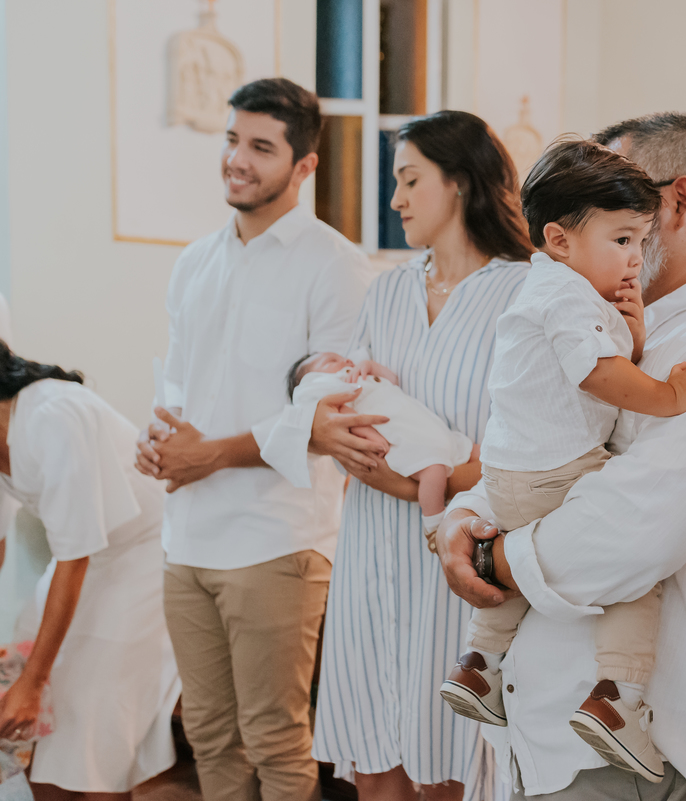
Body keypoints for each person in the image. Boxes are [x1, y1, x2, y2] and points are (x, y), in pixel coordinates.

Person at [435, 112, 686, 801]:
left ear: (675, 201)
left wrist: (492, 557)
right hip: (544, 725)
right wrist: (466, 516)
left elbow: (624, 534)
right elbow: (535, 438)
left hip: (639, 750)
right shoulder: (597, 317)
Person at [260, 110, 533, 801]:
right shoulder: (386, 292)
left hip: (456, 543)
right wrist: (327, 426)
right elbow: (345, 391)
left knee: (448, 759)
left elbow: (531, 443)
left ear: (462, 184)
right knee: (375, 759)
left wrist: (418, 487)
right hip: (370, 547)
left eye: (410, 180)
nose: (396, 200)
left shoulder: (525, 292)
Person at [438, 140, 686, 783]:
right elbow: (596, 375)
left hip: (510, 476)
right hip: (559, 471)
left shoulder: (557, 293)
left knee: (514, 555)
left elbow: (596, 361)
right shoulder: (563, 294)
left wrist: (632, 335)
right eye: (621, 239)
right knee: (638, 572)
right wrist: (672, 394)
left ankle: (479, 666)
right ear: (559, 240)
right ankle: (617, 697)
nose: (635, 258)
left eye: (641, 240)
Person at [133, 78, 371, 800]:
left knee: (274, 734)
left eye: (261, 147)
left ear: (304, 166)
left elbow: (327, 416)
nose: (237, 159)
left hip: (277, 536)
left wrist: (213, 453)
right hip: (188, 537)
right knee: (207, 730)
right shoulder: (194, 261)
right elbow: (177, 385)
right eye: (233, 140)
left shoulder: (335, 264)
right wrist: (160, 436)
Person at [0, 344, 180, 799]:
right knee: (41, 740)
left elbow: (73, 556)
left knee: (96, 729)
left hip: (143, 561)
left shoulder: (53, 414)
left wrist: (32, 681)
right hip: (82, 563)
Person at [274, 352, 476, 528]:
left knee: (464, 451)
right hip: (404, 440)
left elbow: (393, 380)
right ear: (315, 381)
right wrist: (375, 439)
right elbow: (354, 422)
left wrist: (372, 367)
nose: (345, 359)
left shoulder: (363, 376)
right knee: (432, 470)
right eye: (331, 361)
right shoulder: (337, 394)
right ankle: (434, 525)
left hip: (429, 429)